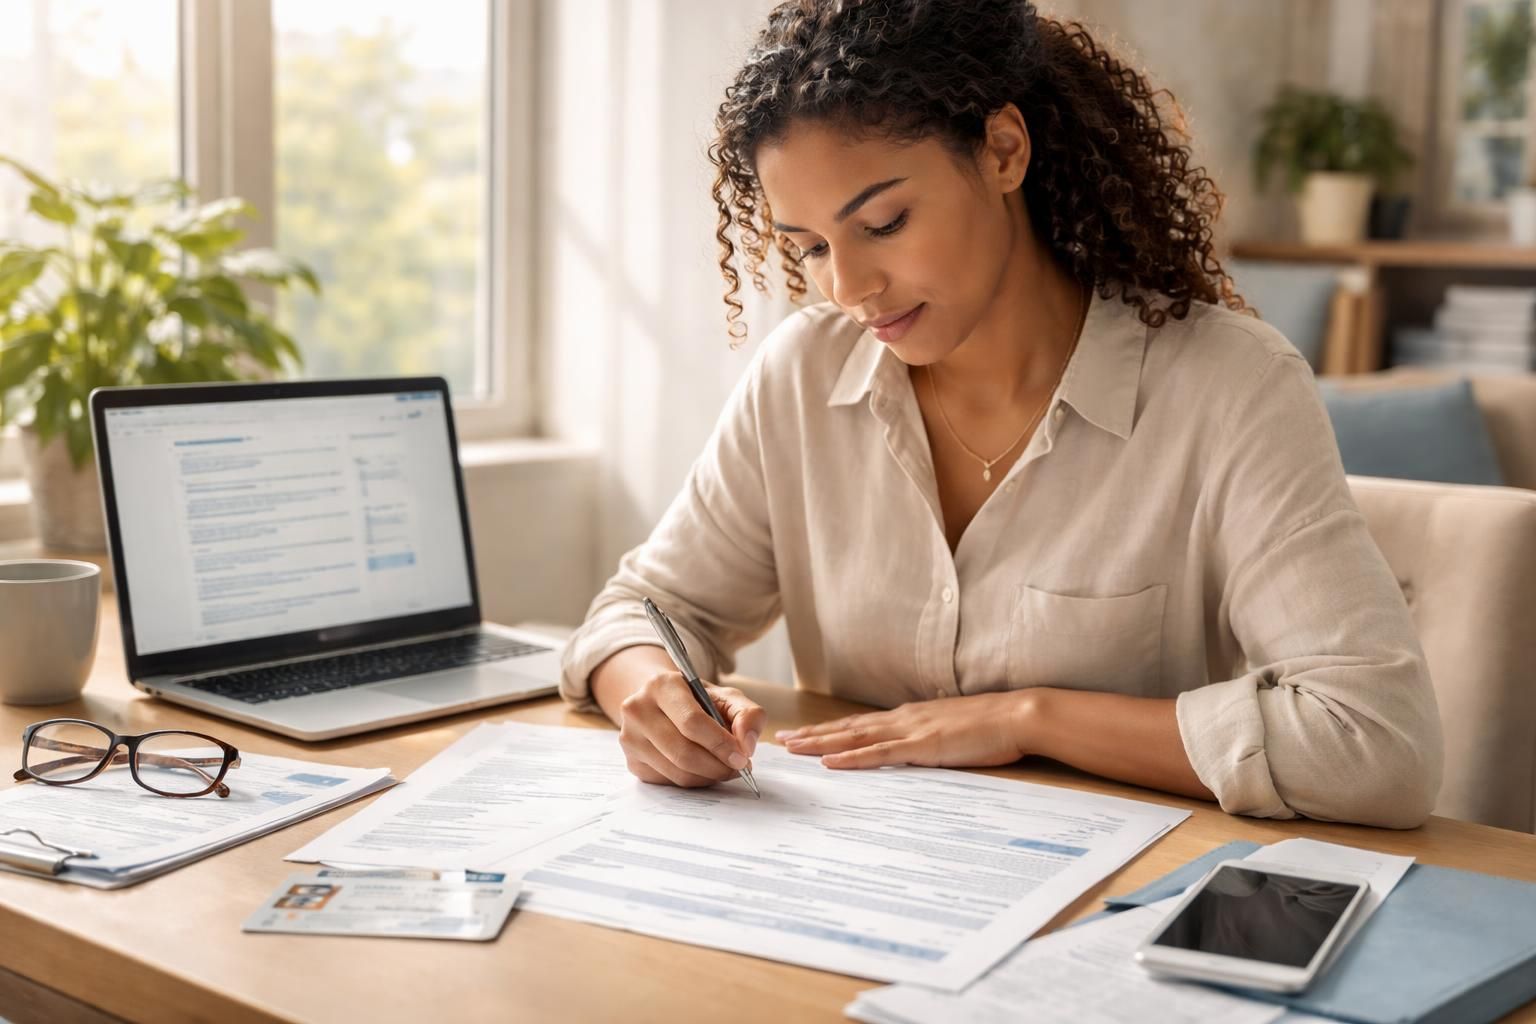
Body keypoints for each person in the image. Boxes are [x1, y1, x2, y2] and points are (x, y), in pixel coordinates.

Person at [558, 0, 1442, 828]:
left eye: (886, 221)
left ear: (1004, 150)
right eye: (813, 247)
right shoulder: (802, 376)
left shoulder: (1229, 388)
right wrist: (653, 692)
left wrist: (1032, 719)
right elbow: (645, 607)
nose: (848, 287)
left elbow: (1378, 743)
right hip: (859, 877)